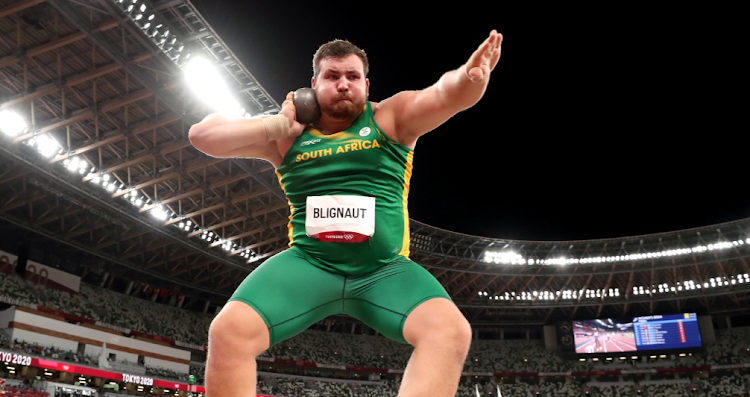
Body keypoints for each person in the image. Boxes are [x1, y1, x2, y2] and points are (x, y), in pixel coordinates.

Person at [189, 30, 503, 397]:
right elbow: (203, 135)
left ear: (366, 85)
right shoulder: (286, 135)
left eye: (352, 77)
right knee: (228, 333)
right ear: (313, 84)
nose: (343, 85)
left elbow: (444, 95)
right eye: (332, 76)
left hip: (383, 271)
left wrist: (468, 77)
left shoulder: (391, 119)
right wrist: (279, 123)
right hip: (310, 264)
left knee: (450, 332)